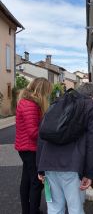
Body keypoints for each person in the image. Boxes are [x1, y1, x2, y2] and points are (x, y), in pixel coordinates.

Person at [37, 82, 93, 214]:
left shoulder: (57, 103)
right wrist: (90, 173)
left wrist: (40, 167)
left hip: (48, 165)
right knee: (76, 209)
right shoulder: (92, 106)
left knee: (55, 209)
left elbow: (41, 136)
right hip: (73, 167)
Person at [15, 77, 52, 214]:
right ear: (41, 90)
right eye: (47, 92)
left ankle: (27, 210)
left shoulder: (26, 102)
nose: (48, 95)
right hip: (30, 149)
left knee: (26, 180)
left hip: (25, 148)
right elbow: (33, 132)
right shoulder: (30, 104)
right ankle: (33, 211)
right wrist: (50, 136)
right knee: (36, 183)